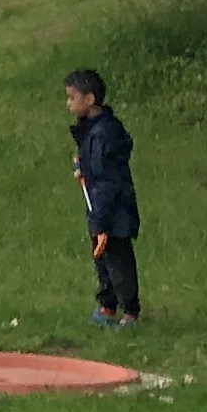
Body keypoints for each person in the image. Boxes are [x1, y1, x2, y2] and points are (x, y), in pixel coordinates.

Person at [67, 66, 142, 327]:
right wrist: (82, 166)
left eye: (72, 98)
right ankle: (108, 305)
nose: (68, 104)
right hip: (98, 207)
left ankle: (129, 311)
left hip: (113, 211)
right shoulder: (90, 130)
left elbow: (107, 180)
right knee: (102, 259)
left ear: (89, 99)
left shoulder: (104, 134)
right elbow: (94, 166)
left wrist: (100, 219)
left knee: (118, 260)